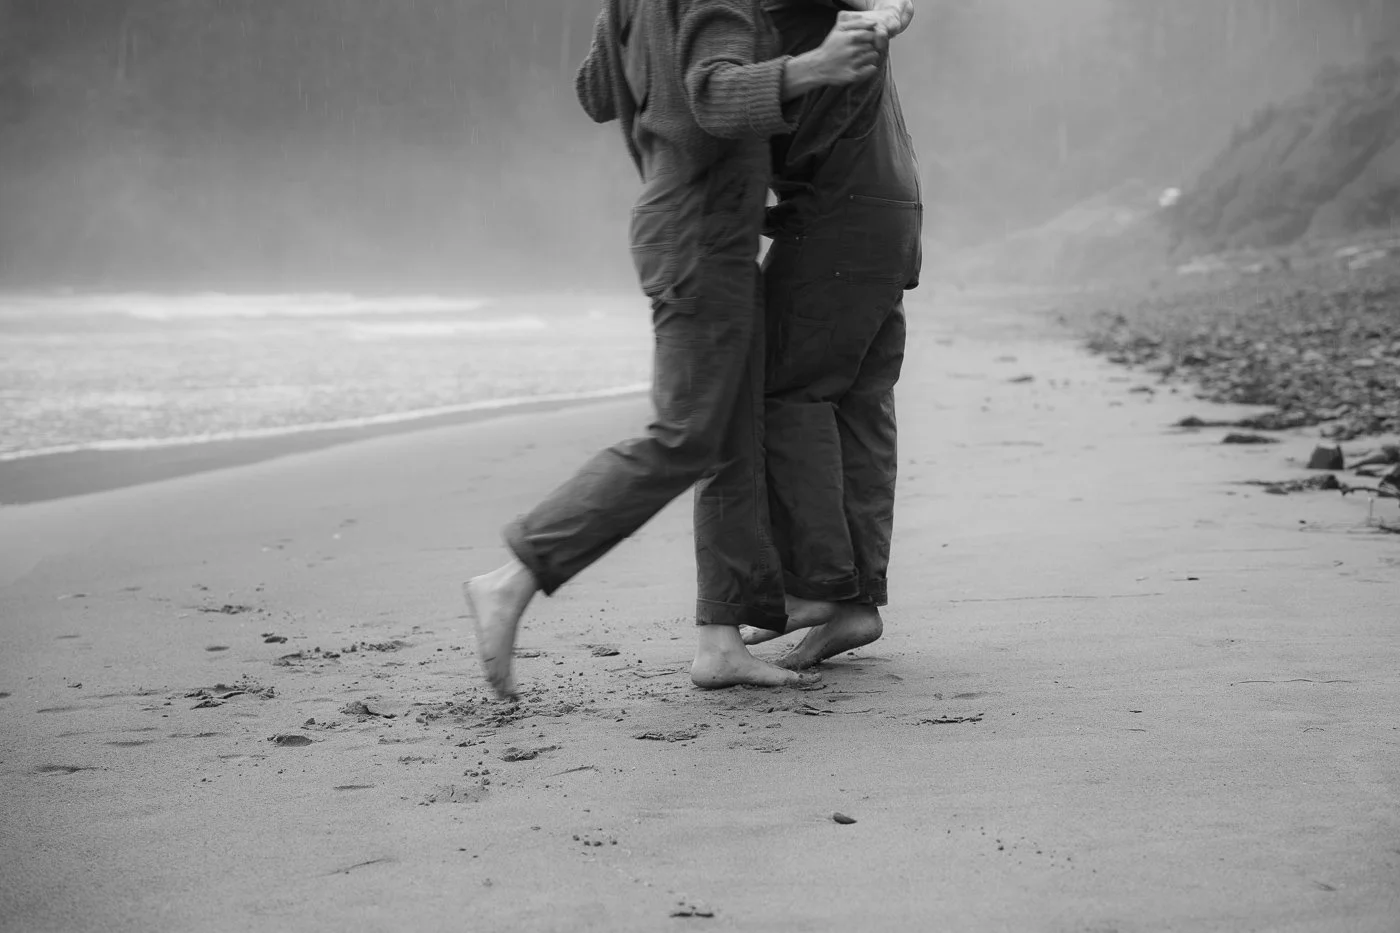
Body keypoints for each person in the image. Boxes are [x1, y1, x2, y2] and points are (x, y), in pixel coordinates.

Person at [463, 0, 883, 700]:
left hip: (695, 225)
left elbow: (596, 90)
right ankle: (515, 576)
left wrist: (647, 44)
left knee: (730, 436)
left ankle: (720, 641)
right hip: (700, 235)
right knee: (687, 436)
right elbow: (713, 96)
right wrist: (814, 66)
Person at [742, 0, 922, 669]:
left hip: (842, 212)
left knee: (789, 391)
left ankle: (816, 586)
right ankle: (852, 606)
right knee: (859, 405)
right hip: (885, 203)